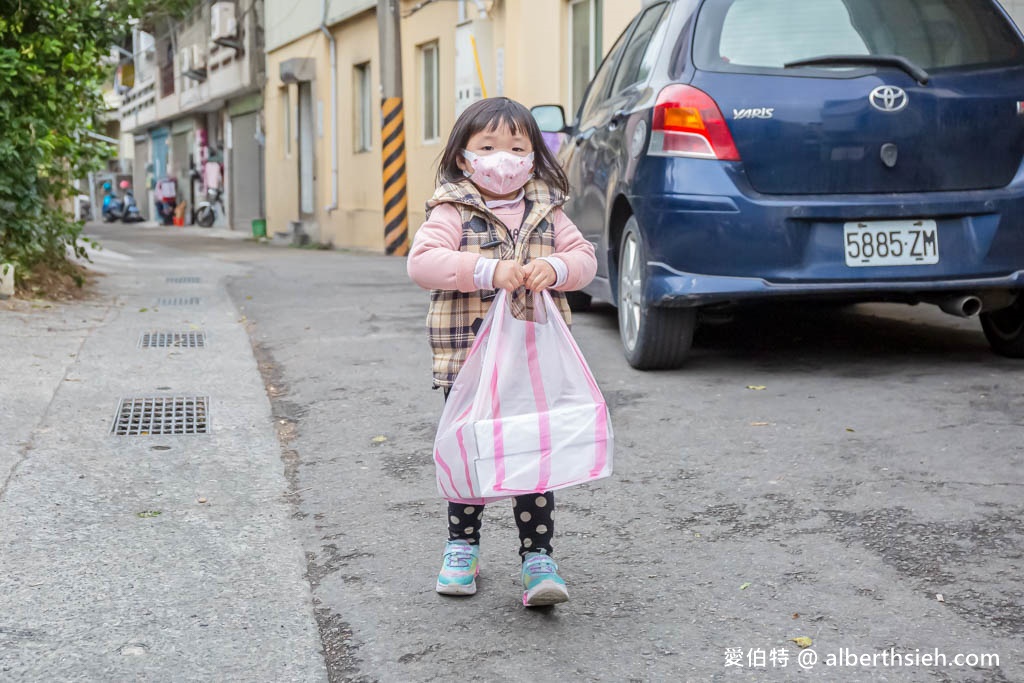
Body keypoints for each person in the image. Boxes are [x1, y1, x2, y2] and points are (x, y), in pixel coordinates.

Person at [407, 97, 597, 606]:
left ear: (534, 157)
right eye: (488, 146)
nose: (503, 157)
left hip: (532, 368)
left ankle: (538, 559)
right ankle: (461, 547)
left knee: (531, 457)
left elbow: (584, 260)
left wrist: (555, 269)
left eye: (517, 146)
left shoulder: (550, 213)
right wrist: (488, 270)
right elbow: (422, 263)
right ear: (465, 158)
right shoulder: (452, 211)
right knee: (469, 454)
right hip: (468, 363)